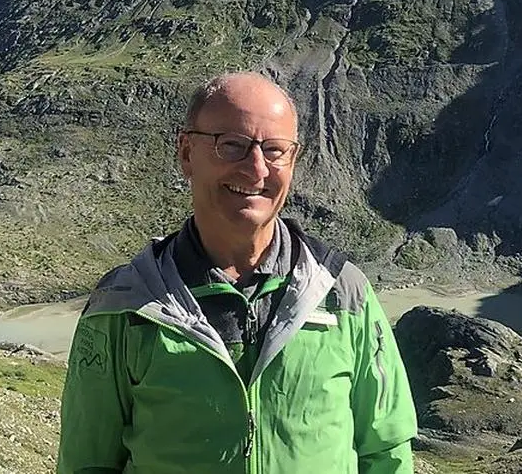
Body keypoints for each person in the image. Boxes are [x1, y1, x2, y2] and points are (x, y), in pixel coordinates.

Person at [57, 71, 417, 473]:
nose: (257, 169)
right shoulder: (124, 307)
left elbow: (386, 452)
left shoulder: (343, 294)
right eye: (232, 145)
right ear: (186, 152)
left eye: (275, 150)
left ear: (293, 160)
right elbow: (87, 464)